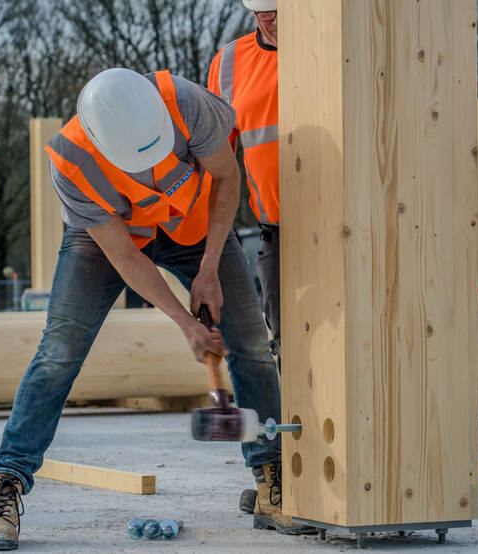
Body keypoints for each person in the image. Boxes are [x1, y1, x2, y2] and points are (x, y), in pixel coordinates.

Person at [0, 67, 308, 551]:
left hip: (196, 228)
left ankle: (271, 476)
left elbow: (227, 177)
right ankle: (6, 484)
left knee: (251, 341)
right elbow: (127, 258)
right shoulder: (70, 161)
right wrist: (183, 322)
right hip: (116, 239)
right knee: (60, 350)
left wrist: (209, 268)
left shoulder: (189, 104)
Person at [208, 0, 285, 522]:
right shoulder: (229, 63)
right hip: (280, 234)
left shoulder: (340, 50)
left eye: (277, 8)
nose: (266, 17)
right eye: (258, 9)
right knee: (285, 353)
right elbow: (217, 169)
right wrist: (205, 257)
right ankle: (286, 475)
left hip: (357, 229)